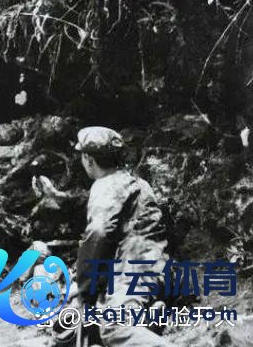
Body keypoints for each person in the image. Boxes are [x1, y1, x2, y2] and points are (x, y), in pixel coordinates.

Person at [66, 126, 176, 347]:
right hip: (158, 269)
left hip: (136, 270)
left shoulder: (105, 185)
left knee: (113, 327)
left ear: (88, 159)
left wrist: (85, 289)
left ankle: (141, 323)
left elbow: (98, 233)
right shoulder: (139, 183)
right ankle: (148, 319)